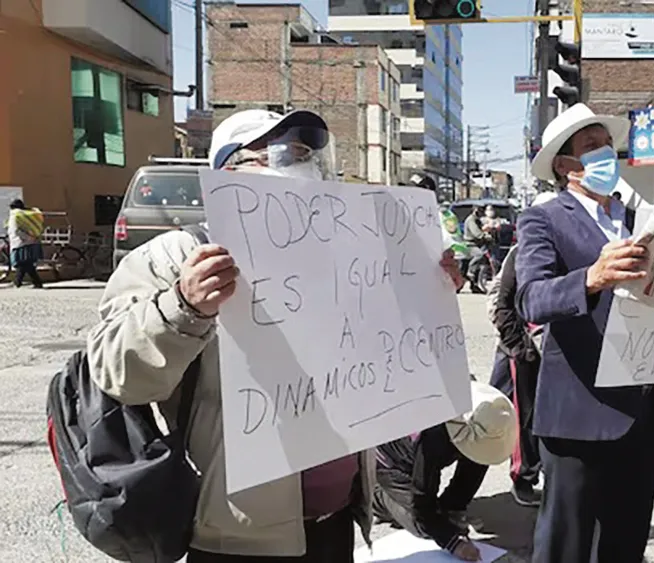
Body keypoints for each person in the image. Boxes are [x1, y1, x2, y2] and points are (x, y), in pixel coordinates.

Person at [86, 108, 464, 562]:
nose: (299, 168)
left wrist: (428, 288)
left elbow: (382, 355)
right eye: (279, 156)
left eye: (306, 156)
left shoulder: (342, 251)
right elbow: (117, 373)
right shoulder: (179, 255)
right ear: (228, 173)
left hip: (337, 517)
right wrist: (183, 306)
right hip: (240, 533)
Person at [516, 104, 654, 563]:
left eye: (606, 144)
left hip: (638, 407)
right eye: (590, 146)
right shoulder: (543, 219)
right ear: (565, 167)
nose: (604, 154)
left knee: (627, 541)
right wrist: (590, 278)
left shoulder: (643, 219)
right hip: (577, 411)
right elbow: (532, 299)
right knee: (567, 544)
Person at [373, 382, 517, 562]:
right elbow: (422, 501)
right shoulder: (432, 438)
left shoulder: (478, 414)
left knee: (481, 453)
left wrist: (453, 508)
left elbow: (480, 458)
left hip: (419, 452)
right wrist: (452, 542)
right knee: (422, 526)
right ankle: (377, 499)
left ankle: (450, 506)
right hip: (389, 463)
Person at [486, 191, 558, 508]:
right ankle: (523, 477)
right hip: (523, 351)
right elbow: (502, 307)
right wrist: (521, 348)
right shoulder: (521, 254)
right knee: (521, 417)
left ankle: (550, 474)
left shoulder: (563, 249)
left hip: (553, 352)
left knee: (551, 416)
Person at [6, 199, 44, 289]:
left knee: (21, 263)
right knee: (27, 263)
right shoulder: (25, 215)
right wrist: (31, 238)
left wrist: (25, 238)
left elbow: (16, 230)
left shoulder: (15, 216)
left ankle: (18, 282)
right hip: (30, 242)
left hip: (20, 243)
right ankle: (35, 282)